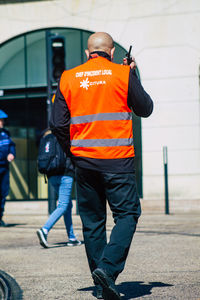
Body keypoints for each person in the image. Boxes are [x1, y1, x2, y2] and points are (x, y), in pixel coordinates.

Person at [50, 32, 153, 299]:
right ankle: (107, 270)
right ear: (110, 51)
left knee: (93, 222)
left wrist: (73, 152)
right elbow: (145, 108)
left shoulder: (68, 78)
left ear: (87, 53)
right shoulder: (122, 74)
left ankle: (101, 285)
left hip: (84, 163)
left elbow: (58, 124)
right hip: (117, 160)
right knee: (128, 215)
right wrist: (132, 74)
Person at [36, 129, 81, 248]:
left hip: (51, 176)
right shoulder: (64, 136)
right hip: (65, 174)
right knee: (63, 205)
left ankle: (72, 238)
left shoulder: (46, 138)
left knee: (67, 205)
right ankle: (44, 230)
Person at [0, 110, 16, 227]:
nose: (2, 122)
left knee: (3, 192)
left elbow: (11, 146)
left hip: (4, 167)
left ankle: (0, 217)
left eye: (3, 120)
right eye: (1, 120)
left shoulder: (6, 133)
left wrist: (12, 153)